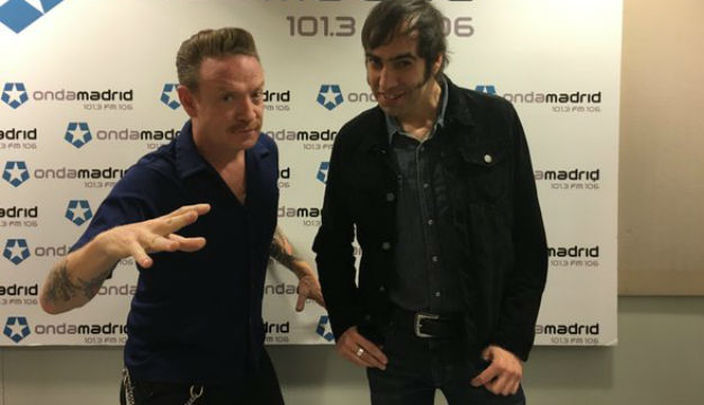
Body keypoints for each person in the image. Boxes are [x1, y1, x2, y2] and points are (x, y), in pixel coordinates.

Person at [39, 27, 323, 405]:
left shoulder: (263, 153)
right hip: (172, 384)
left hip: (248, 365)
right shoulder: (153, 180)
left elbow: (250, 222)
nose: (249, 113)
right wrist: (108, 244)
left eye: (256, 94)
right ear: (189, 101)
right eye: (227, 97)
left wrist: (299, 267)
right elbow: (53, 301)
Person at [312, 1, 548, 404]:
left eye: (402, 63)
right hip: (394, 351)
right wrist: (346, 322)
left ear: (435, 60)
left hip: (482, 347)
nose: (384, 80)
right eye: (374, 62)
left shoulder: (495, 121)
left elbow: (528, 241)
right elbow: (333, 243)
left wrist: (512, 341)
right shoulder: (355, 140)